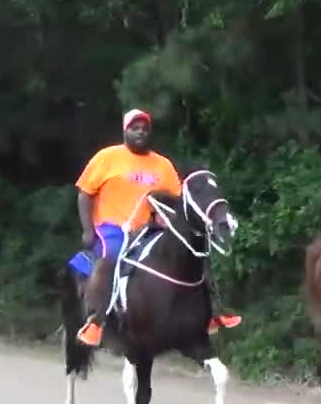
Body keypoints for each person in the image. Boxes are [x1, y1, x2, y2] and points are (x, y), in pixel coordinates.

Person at [69, 108, 240, 347]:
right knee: (113, 258)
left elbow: (179, 201)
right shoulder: (106, 157)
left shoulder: (163, 165)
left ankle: (212, 313)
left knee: (191, 252)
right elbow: (84, 194)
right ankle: (96, 321)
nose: (140, 132)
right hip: (113, 228)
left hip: (151, 228)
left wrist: (165, 217)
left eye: (144, 129)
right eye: (135, 128)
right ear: (125, 131)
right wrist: (88, 229)